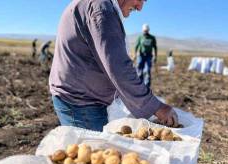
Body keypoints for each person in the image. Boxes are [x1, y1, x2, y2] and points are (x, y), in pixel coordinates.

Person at [49, 0, 179, 131]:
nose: (139, 7)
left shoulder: (100, 6)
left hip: (83, 100)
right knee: (93, 149)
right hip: (81, 104)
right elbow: (119, 68)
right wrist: (156, 107)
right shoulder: (100, 8)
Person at [134, 23, 157, 88]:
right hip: (141, 56)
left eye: (146, 31)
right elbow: (136, 46)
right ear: (142, 30)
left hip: (149, 56)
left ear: (148, 30)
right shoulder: (140, 37)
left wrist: (155, 56)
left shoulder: (152, 38)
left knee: (147, 70)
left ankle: (147, 87)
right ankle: (139, 85)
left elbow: (155, 47)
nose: (145, 32)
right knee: (139, 70)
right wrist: (135, 54)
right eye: (144, 31)